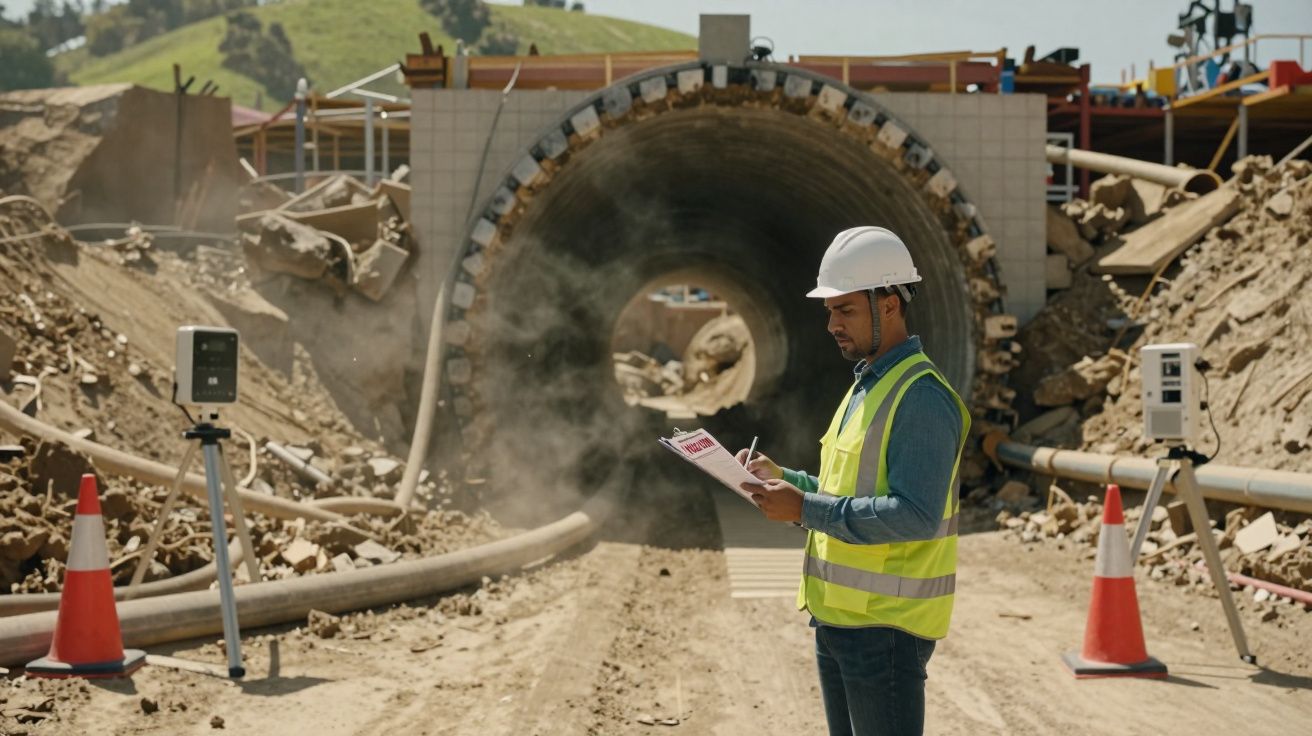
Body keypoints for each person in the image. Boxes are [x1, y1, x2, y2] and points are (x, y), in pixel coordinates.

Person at [736, 226, 970, 736]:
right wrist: (787, 479)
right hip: (840, 620)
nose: (832, 325)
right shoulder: (868, 384)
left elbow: (913, 514)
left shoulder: (920, 398)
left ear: (888, 304)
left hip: (884, 631)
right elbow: (850, 488)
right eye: (829, 312)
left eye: (845, 311)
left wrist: (801, 508)